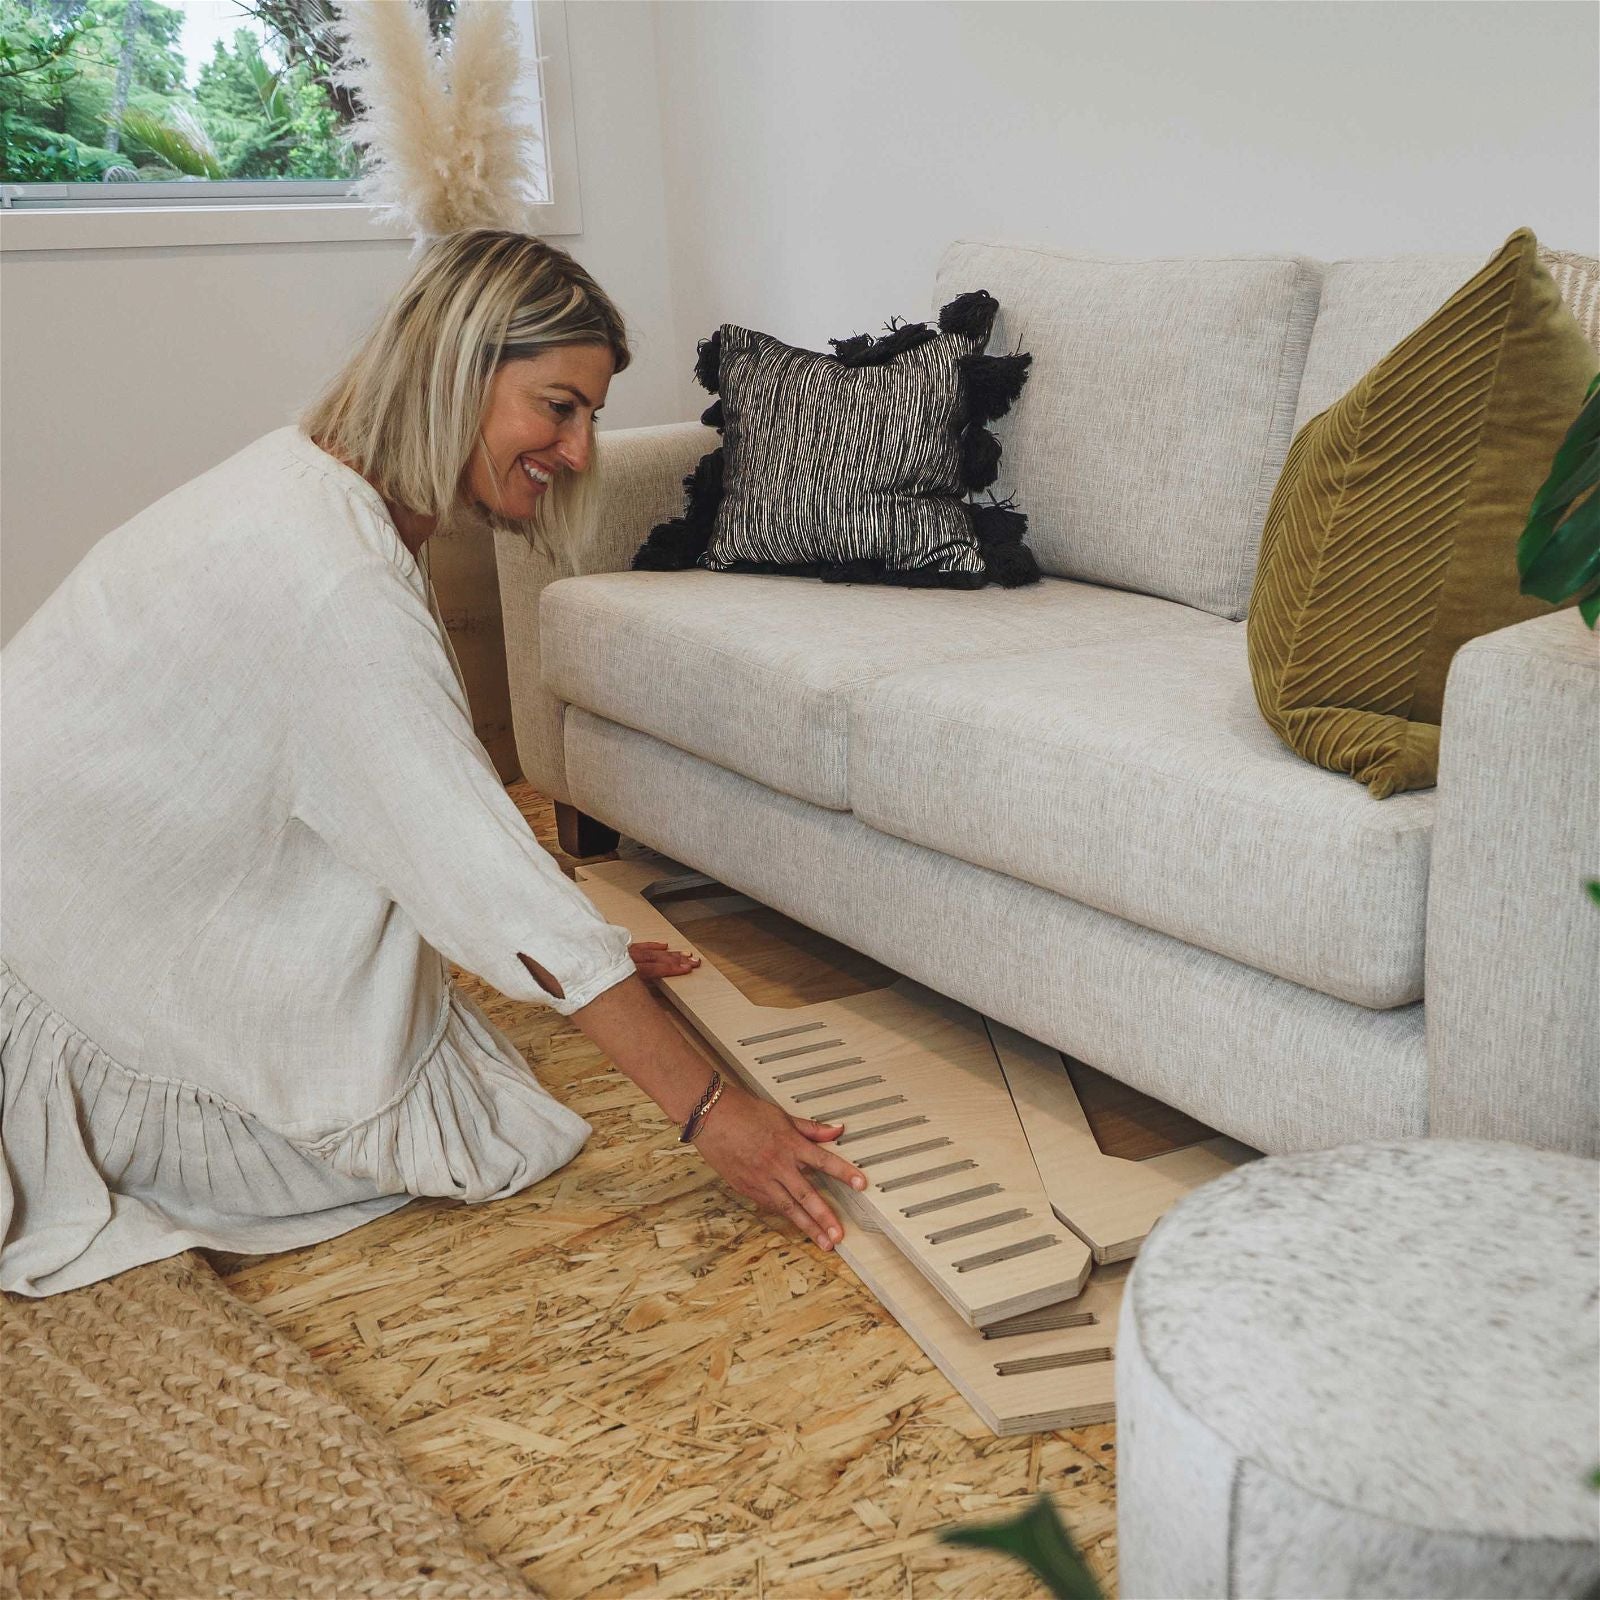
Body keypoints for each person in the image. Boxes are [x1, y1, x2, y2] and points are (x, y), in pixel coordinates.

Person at [0, 229, 868, 1299]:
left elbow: (397, 803)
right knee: (485, 1132)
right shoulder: (341, 587)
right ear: (457, 369)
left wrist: (567, 949)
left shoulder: (292, 478)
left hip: (56, 896)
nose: (582, 449)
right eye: (558, 405)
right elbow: (473, 859)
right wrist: (712, 1113)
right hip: (71, 966)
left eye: (590, 413)